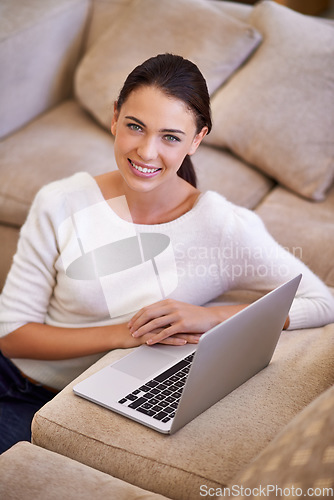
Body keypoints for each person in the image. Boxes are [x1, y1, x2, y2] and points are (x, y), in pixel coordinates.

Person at [0, 54, 333, 453]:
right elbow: (12, 335)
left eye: (170, 137)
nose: (146, 151)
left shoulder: (224, 226)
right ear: (115, 118)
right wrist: (123, 335)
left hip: (86, 403)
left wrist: (211, 317)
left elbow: (320, 300)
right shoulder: (61, 202)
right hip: (16, 380)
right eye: (135, 127)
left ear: (197, 140)